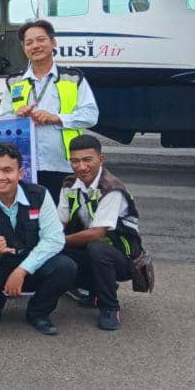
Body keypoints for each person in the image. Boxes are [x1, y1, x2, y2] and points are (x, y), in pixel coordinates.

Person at [0, 143, 76, 335]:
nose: (1, 177)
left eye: (7, 170)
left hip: (31, 262)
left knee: (65, 267)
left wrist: (22, 270)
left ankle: (38, 313)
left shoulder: (39, 195)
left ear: (20, 173)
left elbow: (55, 239)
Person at [1, 19, 98, 201]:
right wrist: (18, 116)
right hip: (25, 165)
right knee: (29, 215)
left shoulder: (73, 78)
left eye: (41, 40)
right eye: (29, 42)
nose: (35, 46)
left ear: (53, 42)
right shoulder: (14, 82)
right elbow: (3, 119)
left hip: (63, 165)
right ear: (24, 48)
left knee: (62, 215)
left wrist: (56, 118)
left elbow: (91, 115)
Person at [57, 135, 142, 330]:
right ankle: (95, 289)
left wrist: (57, 241)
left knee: (97, 248)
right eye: (75, 161)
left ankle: (110, 307)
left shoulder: (111, 189)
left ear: (101, 159)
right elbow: (60, 222)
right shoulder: (69, 184)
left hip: (123, 257)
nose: (81, 167)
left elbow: (97, 234)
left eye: (88, 160)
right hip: (89, 249)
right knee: (52, 252)